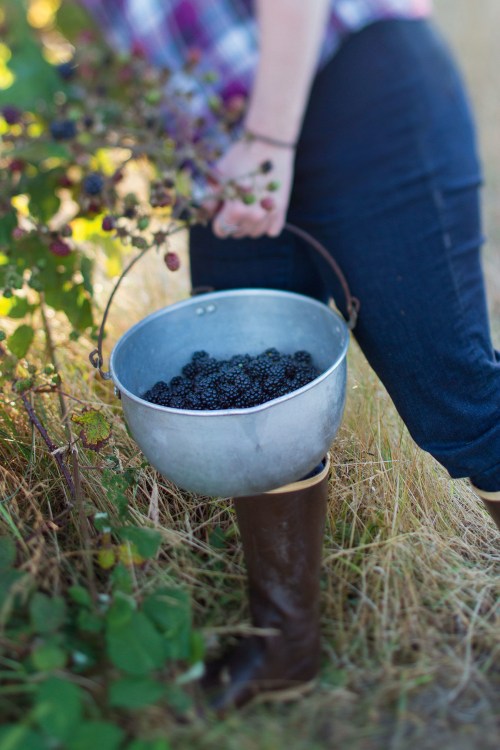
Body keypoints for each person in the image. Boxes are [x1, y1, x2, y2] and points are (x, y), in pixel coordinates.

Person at [81, 0, 500, 713]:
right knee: (251, 418)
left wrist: (271, 137)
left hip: (358, 96)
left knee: (453, 393)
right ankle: (284, 649)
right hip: (226, 155)